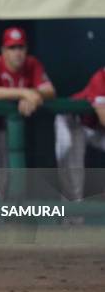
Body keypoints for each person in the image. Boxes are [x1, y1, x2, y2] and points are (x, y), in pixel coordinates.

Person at [0, 27, 56, 202]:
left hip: (0, 125)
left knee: (2, 177)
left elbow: (50, 91)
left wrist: (33, 96)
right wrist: (25, 93)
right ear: (3, 51)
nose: (17, 53)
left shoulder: (32, 63)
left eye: (20, 47)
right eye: (12, 48)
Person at [55, 67, 105, 201]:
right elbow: (103, 117)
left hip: (94, 128)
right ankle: (72, 219)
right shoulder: (101, 77)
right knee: (73, 173)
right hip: (72, 122)